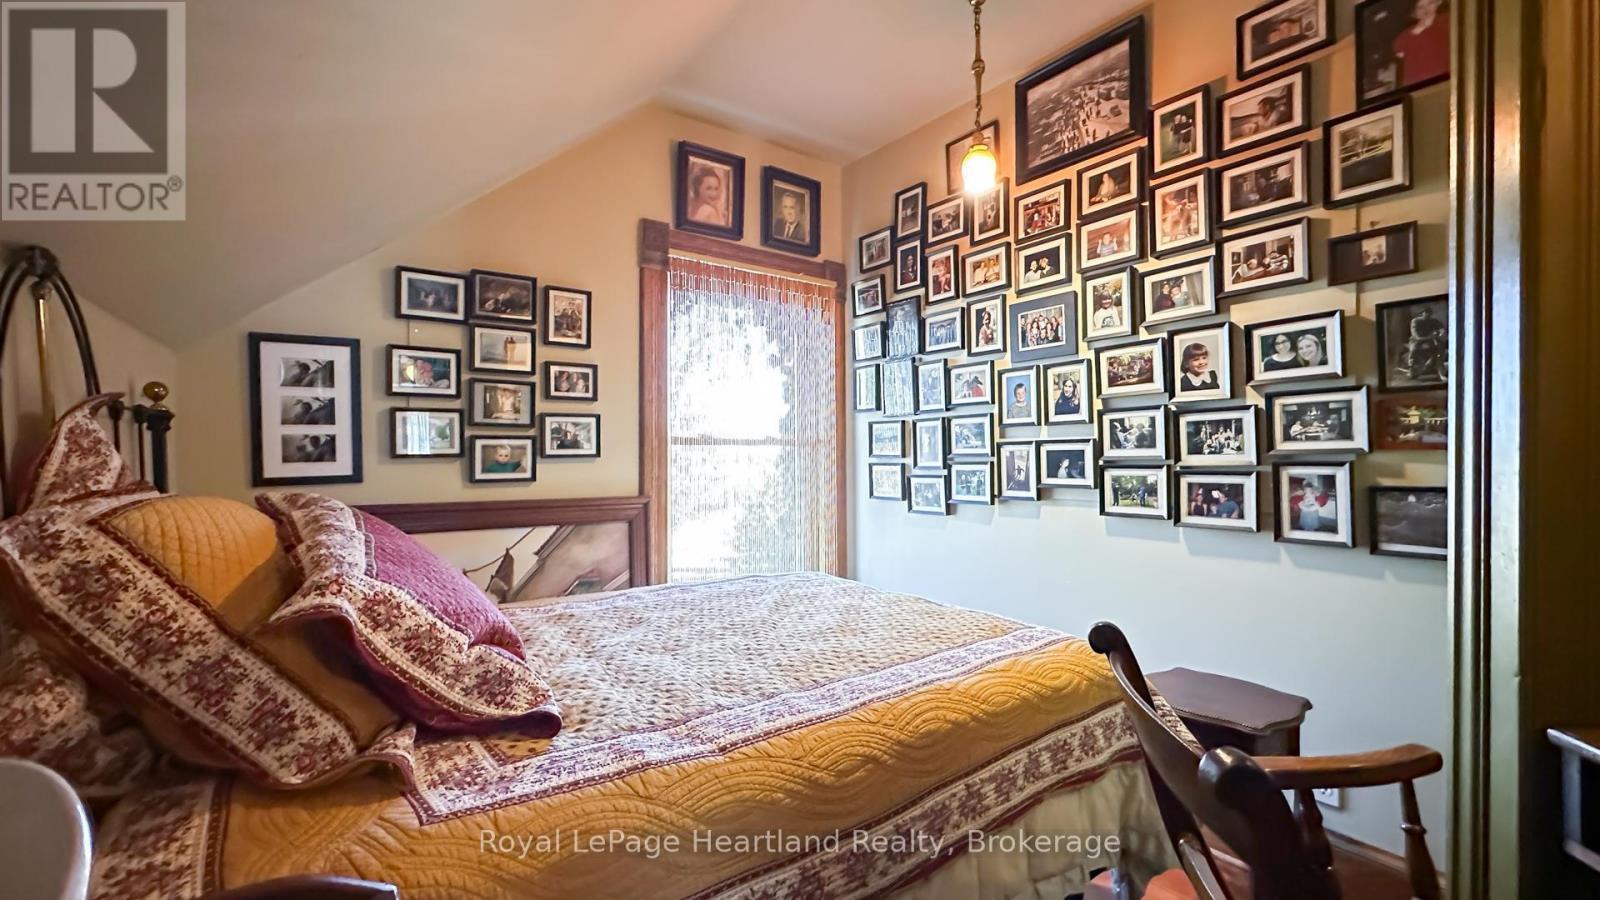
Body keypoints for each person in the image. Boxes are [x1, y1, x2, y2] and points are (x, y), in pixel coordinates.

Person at [1390, 0, 1449, 91]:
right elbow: (1398, 51)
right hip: (1415, 83)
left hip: (1442, 78)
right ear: (1415, 13)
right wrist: (1417, 30)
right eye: (1420, 7)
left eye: (1430, 3)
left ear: (1438, 3)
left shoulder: (1445, 19)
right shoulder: (1409, 32)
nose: (1426, 9)